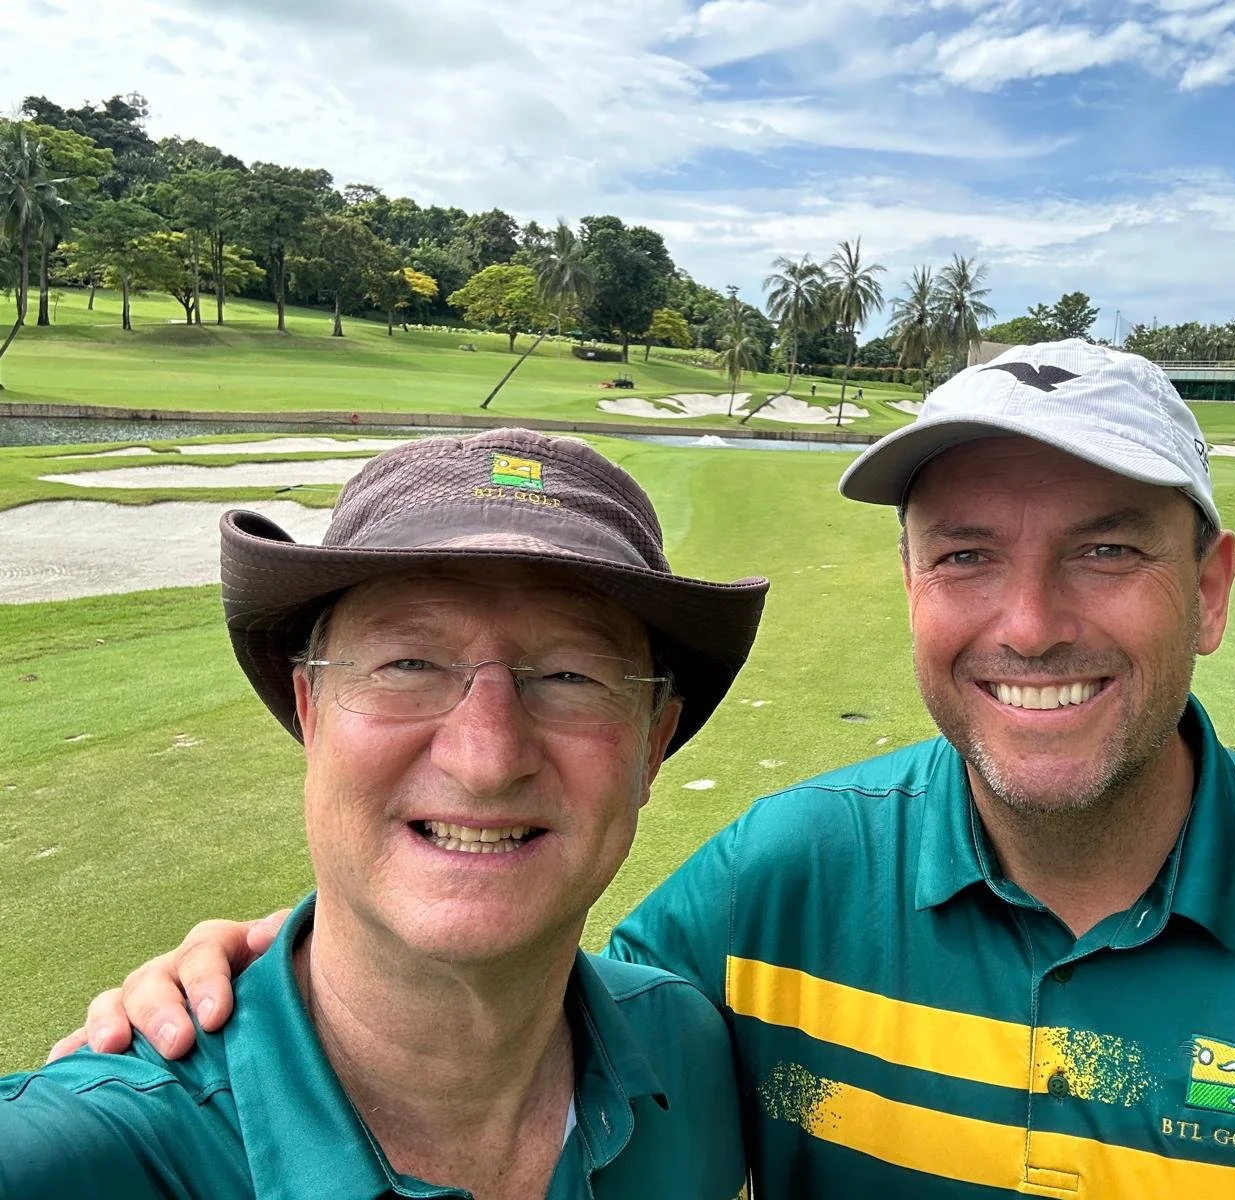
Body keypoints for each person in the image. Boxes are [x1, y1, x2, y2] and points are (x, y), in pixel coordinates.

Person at [61, 343, 1235, 1198]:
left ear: (1212, 589)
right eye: (966, 555)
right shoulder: (767, 892)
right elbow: (492, 979)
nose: (1030, 622)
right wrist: (255, 968)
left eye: (1107, 550)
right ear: (913, 588)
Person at [3, 429, 766, 1198]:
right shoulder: (76, 1160)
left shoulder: (689, 1053)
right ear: (310, 707)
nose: (487, 759)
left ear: (652, 745)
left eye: (571, 675)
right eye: (409, 664)